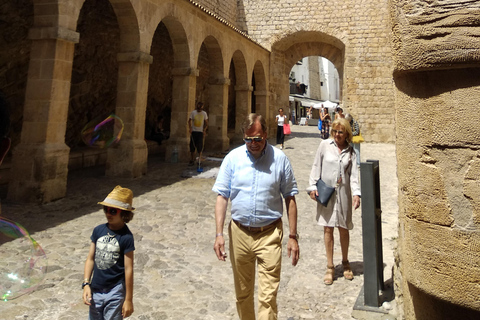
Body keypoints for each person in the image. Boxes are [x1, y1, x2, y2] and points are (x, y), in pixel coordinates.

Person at [212, 113, 300, 320]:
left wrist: (293, 236)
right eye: (248, 139)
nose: (253, 144)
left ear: (266, 134)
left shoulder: (280, 160)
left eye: (258, 139)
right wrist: (218, 234)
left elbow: (290, 197)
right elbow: (222, 196)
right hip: (240, 234)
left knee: (268, 297)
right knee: (242, 293)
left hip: (269, 234)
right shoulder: (232, 159)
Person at [307, 118, 361, 285]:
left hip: (343, 194)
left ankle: (345, 262)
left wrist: (356, 194)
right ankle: (330, 266)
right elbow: (316, 165)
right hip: (327, 194)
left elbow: (354, 176)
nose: (337, 135)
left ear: (346, 134)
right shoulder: (324, 145)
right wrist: (312, 187)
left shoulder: (352, 152)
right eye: (335, 131)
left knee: (344, 229)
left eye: (341, 132)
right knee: (328, 229)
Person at [83, 186, 136, 319]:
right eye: (106, 209)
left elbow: (129, 269)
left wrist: (128, 299)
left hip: (115, 291)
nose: (108, 214)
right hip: (95, 290)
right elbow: (90, 259)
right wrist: (86, 283)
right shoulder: (98, 230)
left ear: (123, 213)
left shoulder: (126, 237)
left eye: (113, 211)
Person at [188, 102, 208, 166]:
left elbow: (206, 123)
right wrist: (190, 128)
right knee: (192, 146)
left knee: (200, 146)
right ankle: (192, 159)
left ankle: (199, 160)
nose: (199, 110)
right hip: (194, 131)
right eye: (198, 108)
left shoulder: (204, 113)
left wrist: (204, 130)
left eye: (200, 109)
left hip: (200, 132)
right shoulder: (193, 113)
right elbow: (189, 120)